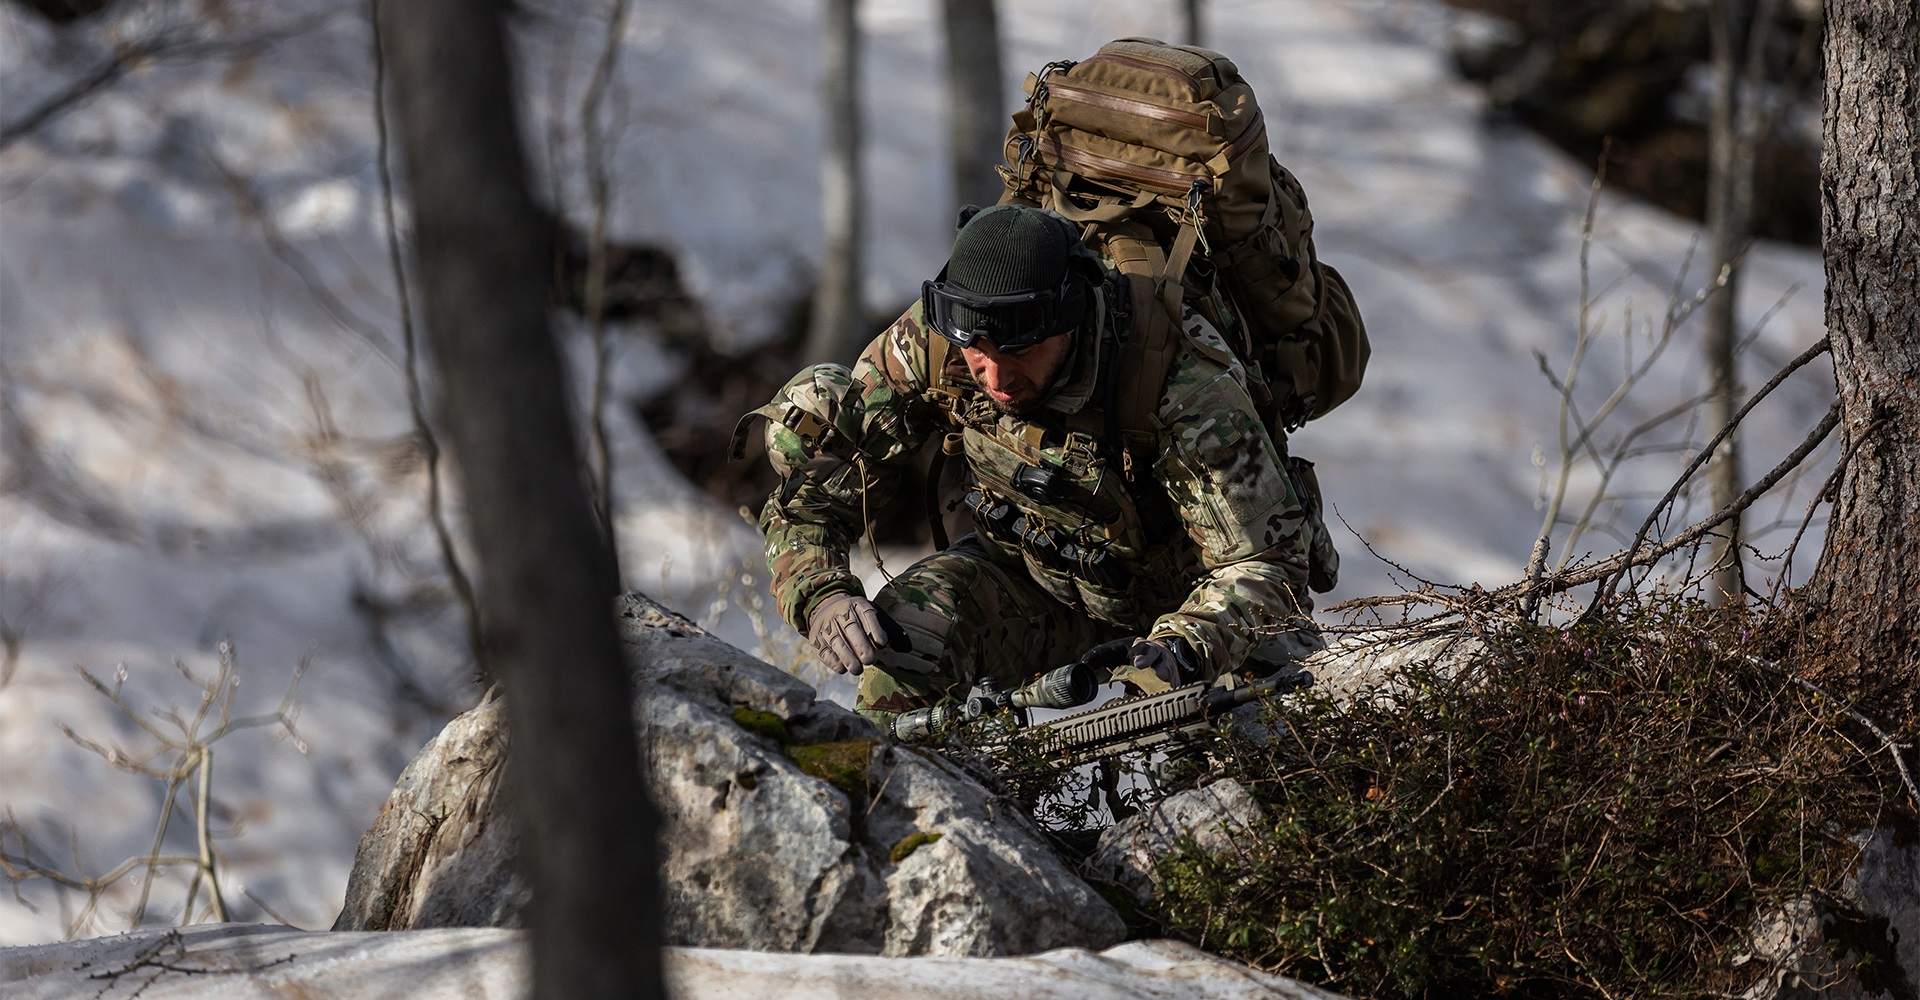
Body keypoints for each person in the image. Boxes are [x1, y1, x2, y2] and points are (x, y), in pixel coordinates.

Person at [743, 204, 1332, 730]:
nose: (995, 378)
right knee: (908, 641)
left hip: (1192, 614)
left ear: (1070, 319)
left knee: (1249, 746)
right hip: (1032, 586)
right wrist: (820, 592)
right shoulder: (937, 342)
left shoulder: (1185, 387)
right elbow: (816, 488)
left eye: (1021, 353)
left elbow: (1266, 566)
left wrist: (1181, 650)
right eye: (979, 353)